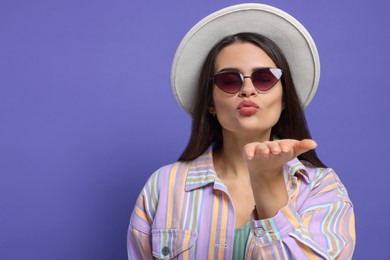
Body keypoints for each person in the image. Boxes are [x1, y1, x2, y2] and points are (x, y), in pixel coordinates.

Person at [127, 3, 355, 259]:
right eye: (229, 80)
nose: (247, 90)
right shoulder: (164, 185)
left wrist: (267, 182)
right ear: (211, 103)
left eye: (264, 78)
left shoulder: (321, 188)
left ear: (284, 99)